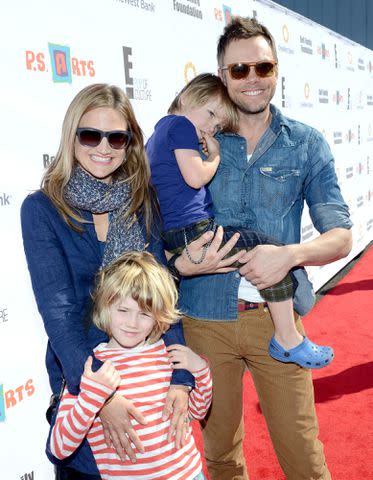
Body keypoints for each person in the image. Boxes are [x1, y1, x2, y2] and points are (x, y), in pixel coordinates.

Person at [169, 17, 353, 480]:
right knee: (221, 456)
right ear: (221, 73)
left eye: (262, 67)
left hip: (278, 325)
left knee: (304, 458)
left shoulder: (306, 143)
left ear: (276, 71)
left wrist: (289, 255)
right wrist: (179, 264)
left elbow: (342, 236)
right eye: (239, 70)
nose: (252, 79)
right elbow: (162, 218)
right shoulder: (195, 138)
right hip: (205, 319)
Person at [21, 83, 200, 479]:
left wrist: (182, 378)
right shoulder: (42, 209)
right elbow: (61, 315)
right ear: (72, 136)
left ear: (130, 143)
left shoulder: (141, 201)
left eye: (116, 137)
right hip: (83, 382)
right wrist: (102, 396)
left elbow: (160, 297)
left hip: (147, 378)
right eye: (90, 134)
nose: (104, 147)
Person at [146, 72, 333, 369]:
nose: (210, 128)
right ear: (184, 99)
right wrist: (215, 156)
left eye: (218, 125)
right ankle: (288, 338)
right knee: (268, 248)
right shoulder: (180, 126)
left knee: (262, 253)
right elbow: (196, 177)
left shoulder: (156, 136)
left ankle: (289, 326)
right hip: (197, 233)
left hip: (179, 236)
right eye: (209, 115)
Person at [49, 251, 211, 480]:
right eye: (123, 310)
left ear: (158, 316)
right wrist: (93, 397)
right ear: (105, 307)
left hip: (189, 474)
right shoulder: (89, 367)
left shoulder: (168, 353)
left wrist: (201, 372)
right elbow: (59, 448)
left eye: (145, 314)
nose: (132, 323)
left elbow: (196, 411)